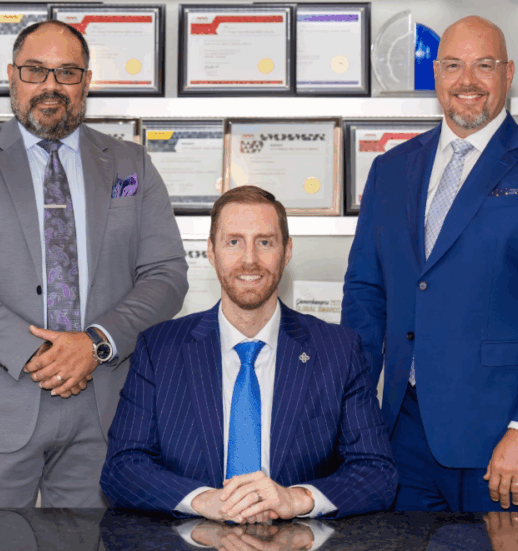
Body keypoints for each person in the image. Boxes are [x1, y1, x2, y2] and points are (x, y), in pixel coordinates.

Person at [0, 20, 187, 507]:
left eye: (67, 72)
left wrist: (95, 343)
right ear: (12, 77)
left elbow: (165, 273)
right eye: (36, 71)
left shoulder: (131, 165)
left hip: (104, 409)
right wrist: (34, 352)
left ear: (86, 81)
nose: (51, 86)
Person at [342, 15, 518, 513]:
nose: (468, 81)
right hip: (400, 438)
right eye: (454, 65)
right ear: (436, 74)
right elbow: (365, 295)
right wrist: (350, 420)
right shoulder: (390, 171)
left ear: (509, 74)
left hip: (503, 445)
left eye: (485, 66)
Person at [100, 186, 396, 522]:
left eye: (265, 242)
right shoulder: (159, 349)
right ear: (211, 252)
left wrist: (295, 499)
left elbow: (376, 472)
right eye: (233, 242)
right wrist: (203, 500)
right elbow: (122, 468)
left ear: (287, 252)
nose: (249, 259)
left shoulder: (338, 350)